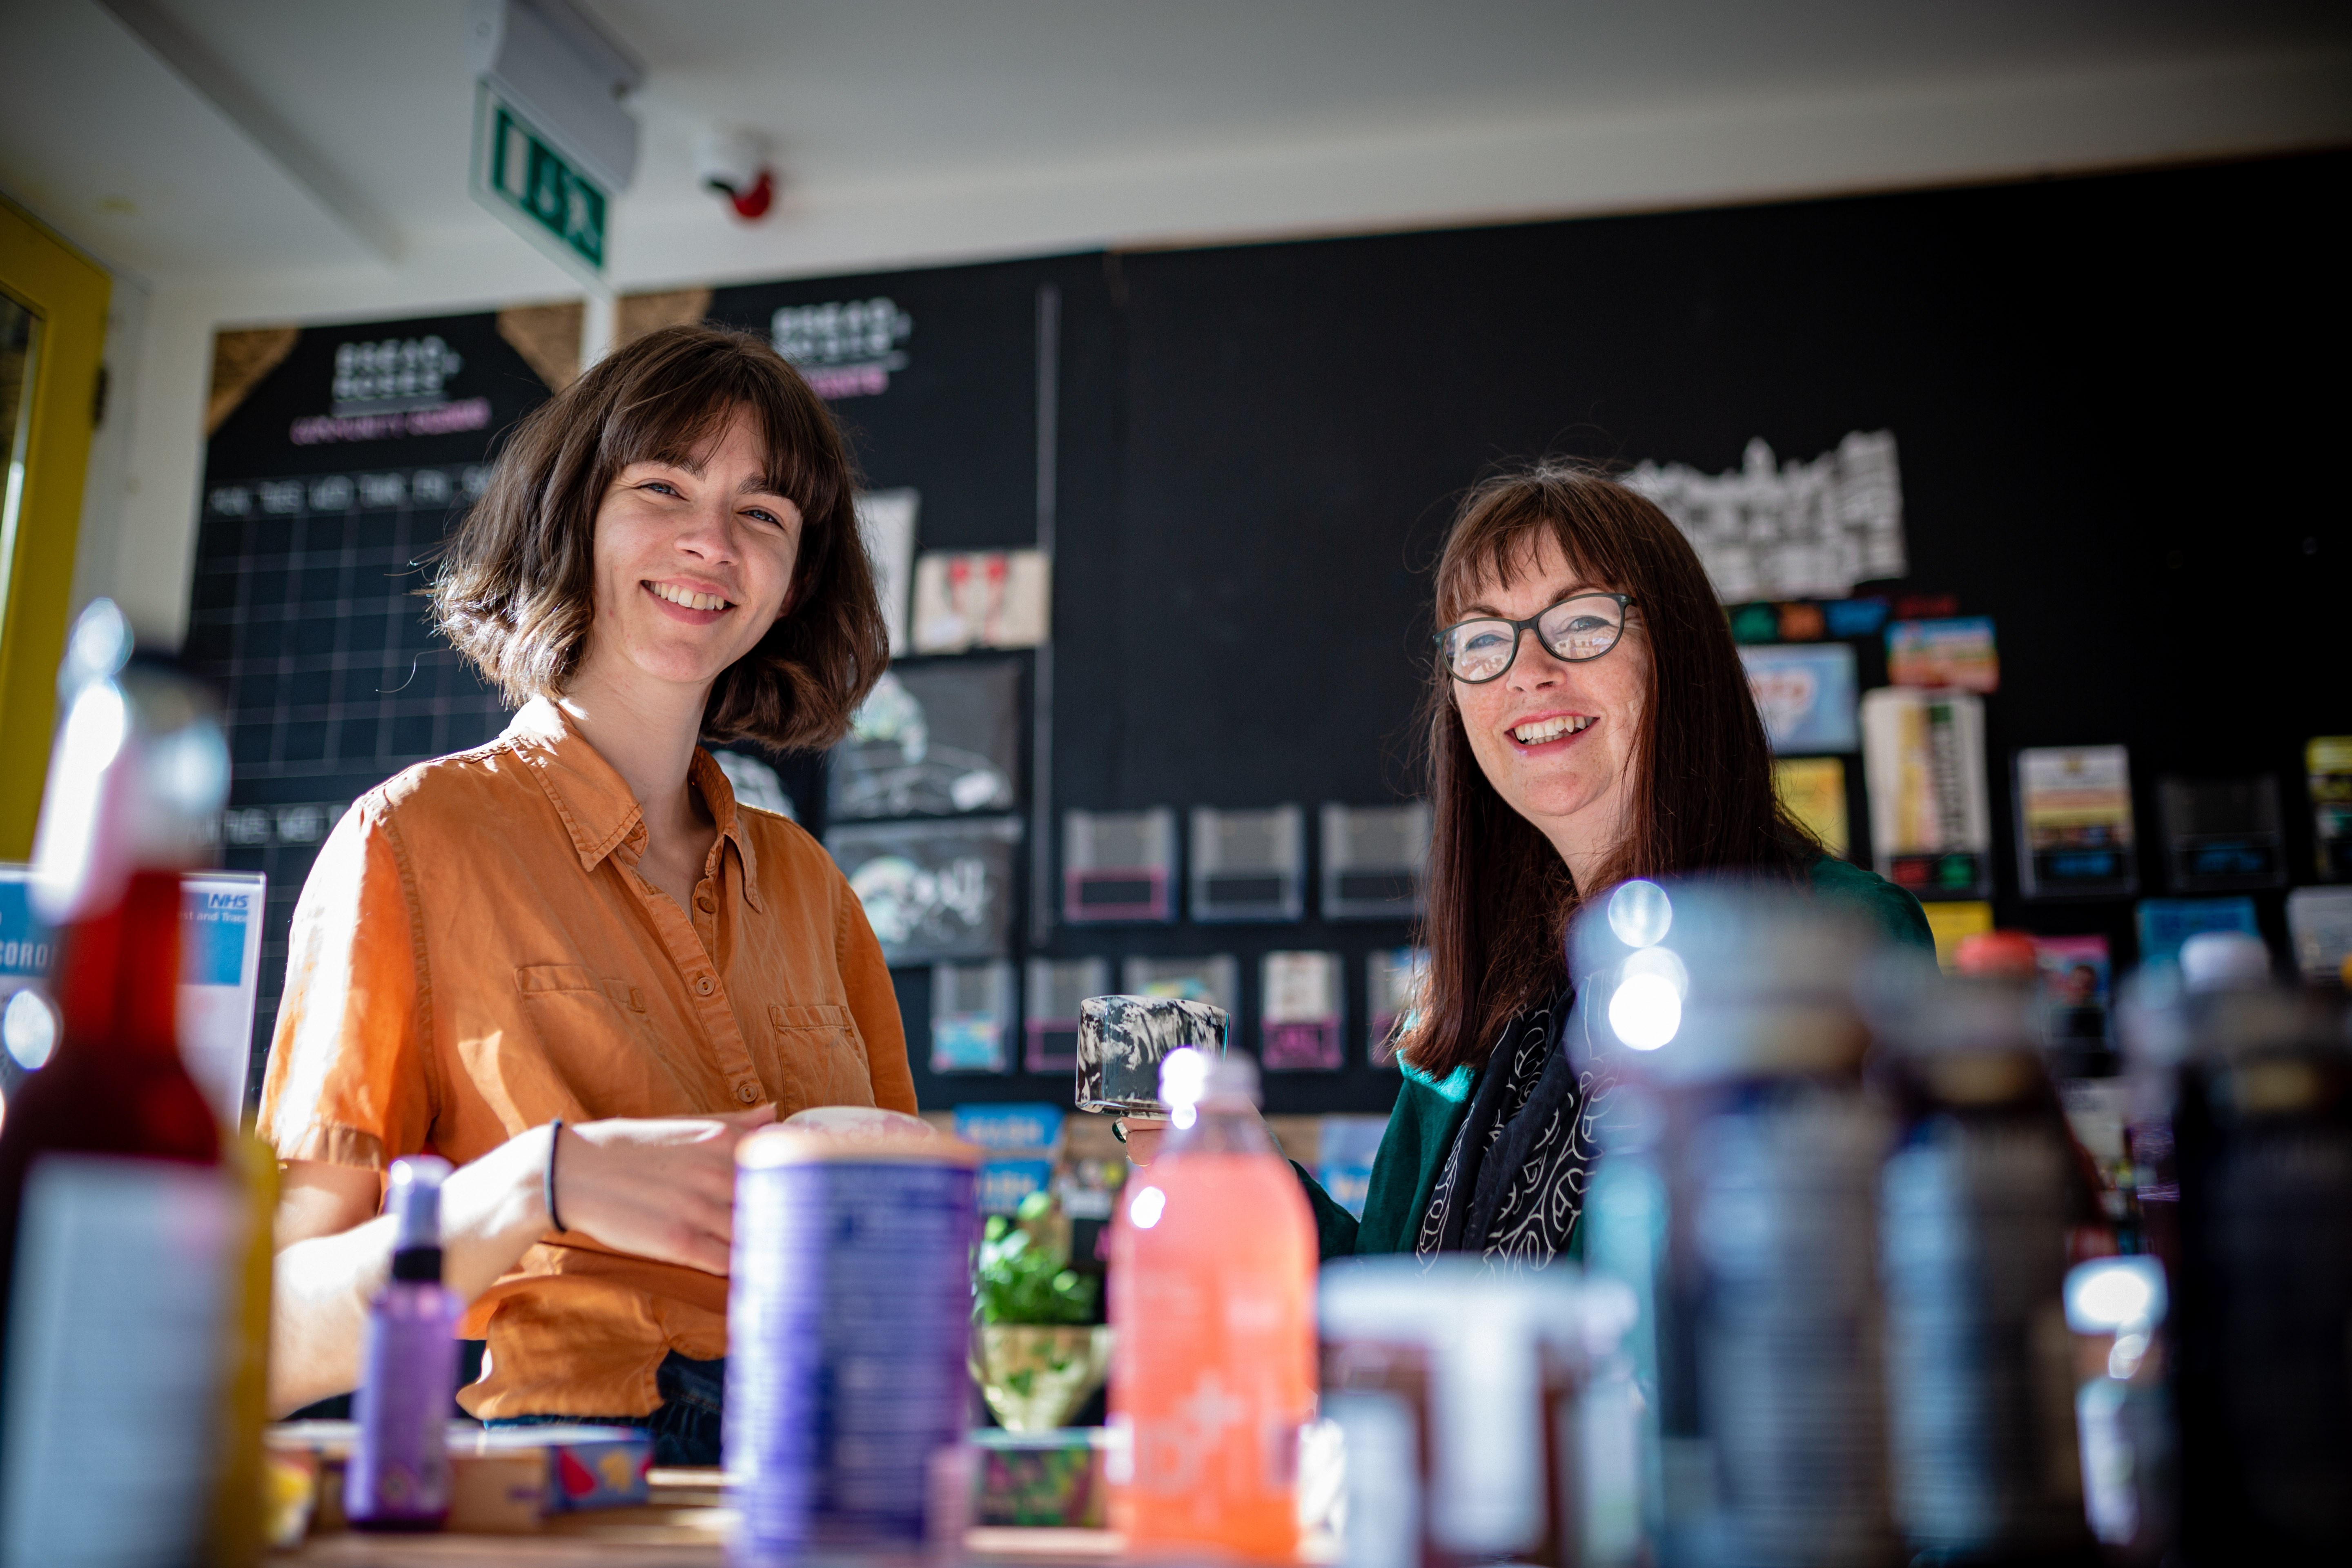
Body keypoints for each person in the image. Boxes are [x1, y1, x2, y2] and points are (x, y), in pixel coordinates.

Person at [256, 325, 910, 1462]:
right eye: (664, 487)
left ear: (793, 581)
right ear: (574, 517)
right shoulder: (409, 844)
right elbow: (264, 1341)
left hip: (832, 1463)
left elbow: (908, 1245)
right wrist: (535, 1185)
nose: (711, 542)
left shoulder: (815, 893)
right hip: (555, 1477)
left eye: (763, 515)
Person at [1129, 461, 1931, 1264]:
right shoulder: (1474, 1008)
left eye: (1581, 623)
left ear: (1679, 654)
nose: (1528, 672)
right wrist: (1238, 1172)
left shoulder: (1834, 933)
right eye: (1483, 640)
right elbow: (1389, 1309)